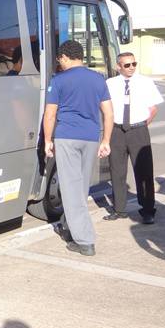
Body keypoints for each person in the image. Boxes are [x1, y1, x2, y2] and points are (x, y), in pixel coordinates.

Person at [43, 40, 113, 257]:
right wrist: (106, 141)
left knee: (71, 189)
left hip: (67, 137)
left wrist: (47, 140)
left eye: (59, 60)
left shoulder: (59, 80)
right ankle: (70, 227)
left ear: (64, 57)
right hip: (91, 138)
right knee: (81, 187)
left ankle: (85, 241)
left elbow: (50, 114)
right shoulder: (98, 79)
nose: (59, 64)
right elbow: (109, 113)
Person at [103, 52, 164, 224]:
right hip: (117, 131)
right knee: (117, 171)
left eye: (134, 64)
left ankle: (147, 210)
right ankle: (119, 209)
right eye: (127, 65)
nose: (131, 68)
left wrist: (142, 124)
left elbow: (153, 109)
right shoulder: (110, 83)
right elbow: (105, 109)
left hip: (138, 130)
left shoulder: (145, 82)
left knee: (143, 172)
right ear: (118, 66)